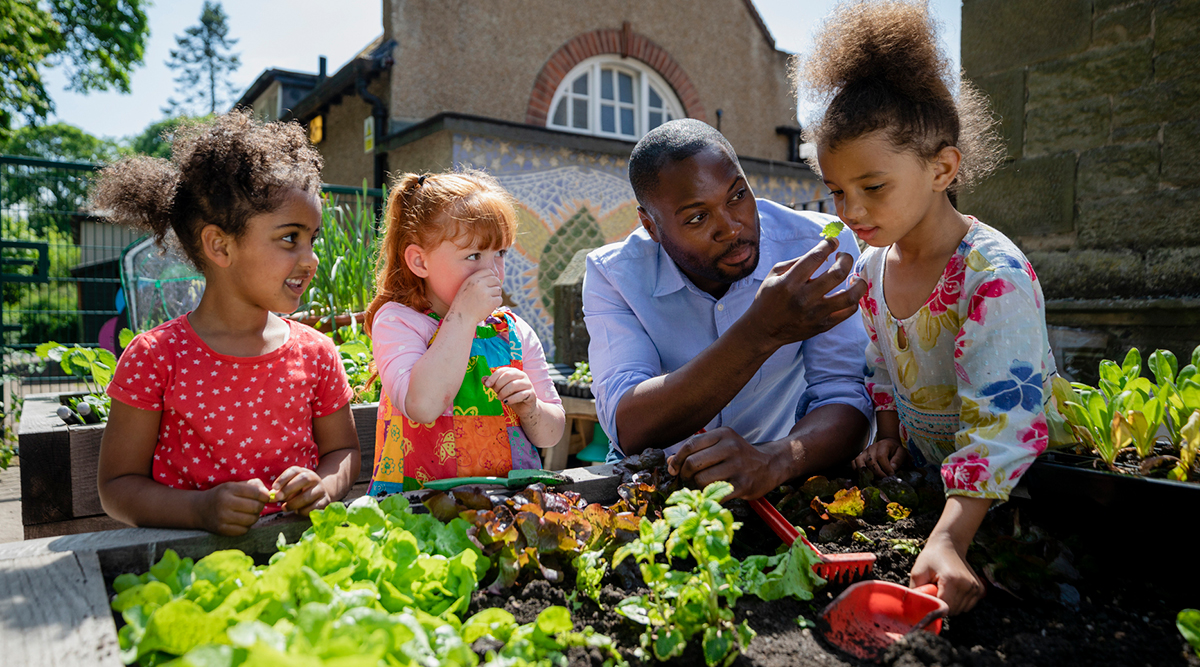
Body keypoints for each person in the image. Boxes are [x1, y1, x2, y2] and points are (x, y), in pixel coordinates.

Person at [798, 1, 1069, 615]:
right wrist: (888, 438)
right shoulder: (873, 267)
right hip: (939, 491)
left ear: (943, 167)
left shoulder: (991, 275)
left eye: (873, 187)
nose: (850, 210)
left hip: (1021, 498)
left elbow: (1005, 425)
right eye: (837, 190)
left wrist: (950, 539)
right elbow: (882, 366)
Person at [94, 111, 361, 536]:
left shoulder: (317, 352)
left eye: (313, 239)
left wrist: (325, 486)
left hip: (302, 562)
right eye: (290, 237)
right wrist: (200, 510)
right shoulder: (155, 356)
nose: (310, 258)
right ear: (220, 245)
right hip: (191, 574)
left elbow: (343, 450)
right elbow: (117, 487)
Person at [583, 118, 872, 501]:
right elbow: (630, 426)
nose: (731, 227)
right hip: (659, 487)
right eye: (697, 217)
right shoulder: (614, 275)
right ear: (651, 226)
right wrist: (760, 332)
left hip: (782, 480)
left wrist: (773, 461)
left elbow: (846, 397)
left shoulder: (817, 248)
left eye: (737, 195)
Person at [363, 171, 565, 496]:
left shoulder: (513, 332)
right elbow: (423, 406)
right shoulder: (400, 322)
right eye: (473, 256)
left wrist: (531, 407)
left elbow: (552, 433)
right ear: (419, 261)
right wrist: (465, 315)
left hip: (506, 509)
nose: (491, 271)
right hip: (420, 509)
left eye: (500, 254)